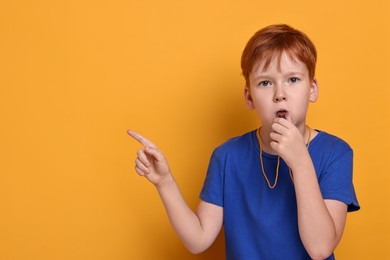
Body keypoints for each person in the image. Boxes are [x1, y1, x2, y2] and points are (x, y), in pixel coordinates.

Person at [128, 24, 360, 260]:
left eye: (292, 79)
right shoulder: (228, 156)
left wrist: (300, 161)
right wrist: (165, 182)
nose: (280, 93)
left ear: (312, 89)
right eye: (265, 83)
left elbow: (320, 248)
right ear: (249, 97)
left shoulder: (335, 153)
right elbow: (198, 240)